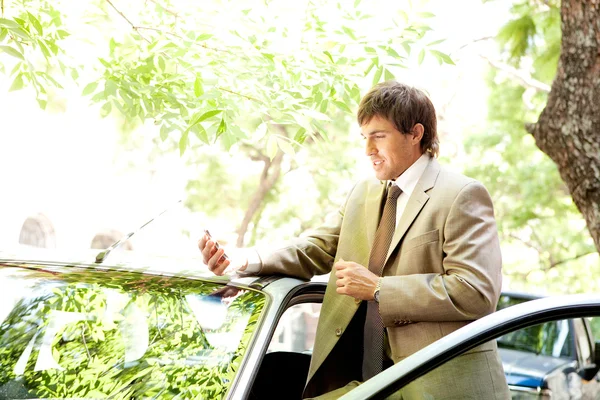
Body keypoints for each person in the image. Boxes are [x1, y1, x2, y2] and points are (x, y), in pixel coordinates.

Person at [199, 81, 510, 399]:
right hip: (365, 382)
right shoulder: (363, 193)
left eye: (379, 136)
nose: (368, 150)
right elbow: (318, 248)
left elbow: (475, 291)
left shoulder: (461, 195)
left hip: (438, 386)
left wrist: (378, 288)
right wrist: (245, 259)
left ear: (415, 134)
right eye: (365, 137)